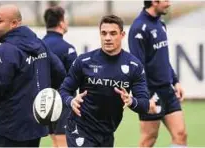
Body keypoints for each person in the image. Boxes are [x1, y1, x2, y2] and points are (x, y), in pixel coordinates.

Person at [0, 4, 66, 147]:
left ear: (14, 23)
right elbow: (59, 71)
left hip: (10, 128)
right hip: (36, 125)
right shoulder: (39, 44)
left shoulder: (5, 50)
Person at [59, 15, 158, 147]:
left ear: (122, 35)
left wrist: (131, 101)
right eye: (104, 33)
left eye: (113, 33)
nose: (107, 38)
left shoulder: (134, 66)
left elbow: (145, 104)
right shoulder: (84, 61)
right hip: (80, 128)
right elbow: (64, 90)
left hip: (107, 133)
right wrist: (70, 101)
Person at [128, 0, 187, 147]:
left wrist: (175, 81)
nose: (169, 3)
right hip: (150, 93)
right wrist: (145, 96)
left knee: (181, 134)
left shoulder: (161, 24)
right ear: (154, 1)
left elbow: (163, 58)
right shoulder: (138, 28)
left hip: (167, 90)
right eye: (166, 0)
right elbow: (137, 67)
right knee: (149, 139)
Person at [42, 6, 77, 147]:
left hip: (44, 101)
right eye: (65, 19)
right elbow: (76, 78)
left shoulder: (38, 46)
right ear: (61, 23)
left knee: (55, 142)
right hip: (63, 102)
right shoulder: (67, 48)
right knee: (63, 142)